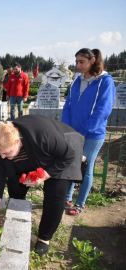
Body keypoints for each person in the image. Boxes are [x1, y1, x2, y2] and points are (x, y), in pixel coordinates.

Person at [0, 115, 85, 256]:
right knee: (15, 183)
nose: (3, 157)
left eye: (6, 153)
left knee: (56, 192)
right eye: (0, 154)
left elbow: (68, 155)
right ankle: (19, 216)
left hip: (60, 153)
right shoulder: (1, 147)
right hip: (33, 155)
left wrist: (45, 175)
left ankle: (44, 238)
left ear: (17, 142)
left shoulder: (42, 134)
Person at [62, 48, 116, 215]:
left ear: (92, 61)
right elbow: (68, 107)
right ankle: (67, 198)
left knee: (86, 166)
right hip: (73, 131)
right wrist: (67, 128)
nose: (78, 65)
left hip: (93, 134)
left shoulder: (105, 81)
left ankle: (80, 203)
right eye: (77, 61)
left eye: (81, 62)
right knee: (71, 164)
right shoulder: (77, 81)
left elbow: (103, 111)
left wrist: (84, 131)